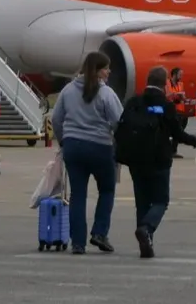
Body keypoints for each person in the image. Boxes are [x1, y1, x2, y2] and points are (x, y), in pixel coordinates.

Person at [51, 51, 125, 254]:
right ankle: (99, 232)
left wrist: (63, 140)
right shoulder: (106, 93)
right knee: (107, 190)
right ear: (99, 70)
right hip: (100, 147)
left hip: (73, 147)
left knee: (78, 195)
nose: (109, 71)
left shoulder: (68, 90)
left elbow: (56, 118)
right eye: (107, 68)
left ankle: (77, 243)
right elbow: (119, 121)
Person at [123, 66, 196, 258]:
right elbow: (177, 133)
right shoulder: (166, 105)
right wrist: (194, 141)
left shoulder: (134, 102)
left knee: (142, 202)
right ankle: (147, 229)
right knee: (160, 200)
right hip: (158, 159)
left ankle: (145, 242)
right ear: (164, 83)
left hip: (135, 159)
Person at [166, 68, 187, 158]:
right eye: (180, 74)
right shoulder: (167, 83)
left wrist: (182, 96)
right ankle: (167, 150)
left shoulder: (181, 84)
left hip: (179, 110)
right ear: (174, 74)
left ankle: (173, 151)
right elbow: (167, 95)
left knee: (178, 131)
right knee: (168, 131)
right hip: (170, 110)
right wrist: (176, 94)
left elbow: (184, 98)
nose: (181, 77)